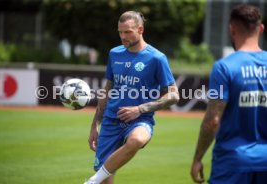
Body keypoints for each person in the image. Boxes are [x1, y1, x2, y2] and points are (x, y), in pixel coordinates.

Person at [84, 11, 180, 184]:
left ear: (140, 29)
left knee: (137, 140)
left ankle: (93, 180)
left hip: (140, 120)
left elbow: (174, 95)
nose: (123, 36)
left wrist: (140, 109)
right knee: (107, 180)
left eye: (127, 32)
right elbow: (107, 90)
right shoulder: (114, 54)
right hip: (111, 121)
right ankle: (99, 178)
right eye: (120, 32)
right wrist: (94, 126)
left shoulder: (157, 58)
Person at [190, 4, 267, 184]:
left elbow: (212, 120)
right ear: (261, 29)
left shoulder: (224, 67)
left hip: (232, 163)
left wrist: (197, 158)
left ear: (232, 29)